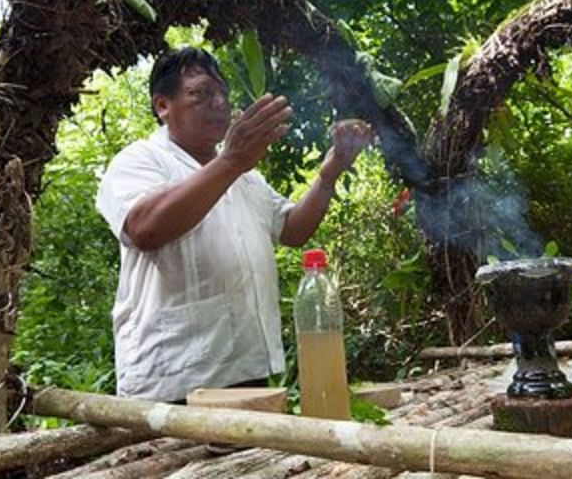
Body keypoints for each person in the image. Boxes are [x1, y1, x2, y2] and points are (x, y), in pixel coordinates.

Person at [96, 46, 372, 402]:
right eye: (201, 93)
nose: (219, 103)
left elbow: (292, 229)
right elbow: (145, 228)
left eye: (223, 93)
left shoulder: (245, 175)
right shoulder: (140, 160)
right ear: (162, 105)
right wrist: (232, 159)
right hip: (172, 382)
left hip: (247, 374)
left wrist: (331, 170)